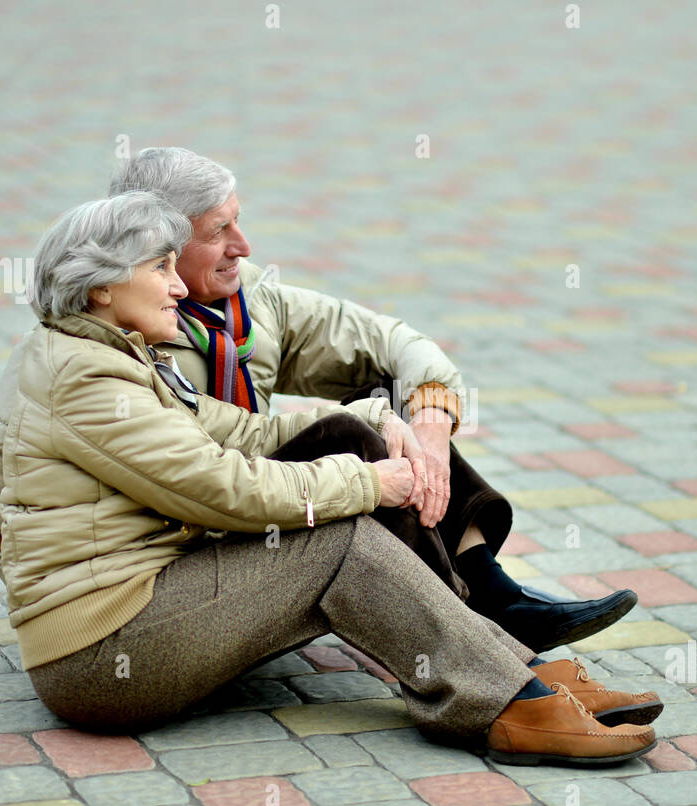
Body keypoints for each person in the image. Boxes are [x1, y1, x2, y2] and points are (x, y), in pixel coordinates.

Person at [0, 190, 659, 766]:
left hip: (136, 610)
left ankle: (512, 669)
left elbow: (242, 433)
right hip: (101, 656)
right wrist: (371, 485)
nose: (179, 285)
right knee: (336, 542)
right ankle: (502, 700)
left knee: (347, 469)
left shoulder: (112, 349)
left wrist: (373, 421)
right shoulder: (87, 376)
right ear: (101, 286)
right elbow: (225, 487)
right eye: (161, 266)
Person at [106, 146, 642, 654]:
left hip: (264, 493)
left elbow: (394, 342)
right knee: (354, 434)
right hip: (205, 525)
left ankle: (488, 588)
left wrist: (430, 428)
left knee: (385, 396)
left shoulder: (248, 300)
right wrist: (368, 458)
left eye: (238, 221)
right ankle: (470, 627)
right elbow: (206, 479)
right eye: (219, 231)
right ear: (161, 248)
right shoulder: (126, 333)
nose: (243, 246)